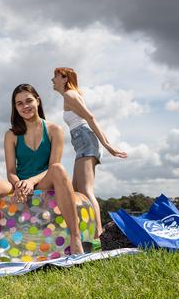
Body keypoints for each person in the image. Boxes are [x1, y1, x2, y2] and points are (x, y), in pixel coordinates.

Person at [0, 84, 84, 262]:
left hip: (44, 181)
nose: (25, 106)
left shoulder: (54, 130)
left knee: (59, 169)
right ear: (15, 108)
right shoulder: (11, 135)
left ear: (38, 101)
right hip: (19, 183)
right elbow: (11, 171)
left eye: (28, 100)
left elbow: (52, 166)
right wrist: (19, 184)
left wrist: (30, 182)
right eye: (19, 103)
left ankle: (75, 238)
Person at [52, 67, 127, 238]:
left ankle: (98, 233)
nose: (52, 80)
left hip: (85, 140)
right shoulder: (69, 96)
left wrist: (108, 145)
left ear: (64, 79)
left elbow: (90, 118)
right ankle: (84, 230)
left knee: (85, 190)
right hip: (81, 142)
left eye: (55, 76)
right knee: (76, 190)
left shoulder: (70, 95)